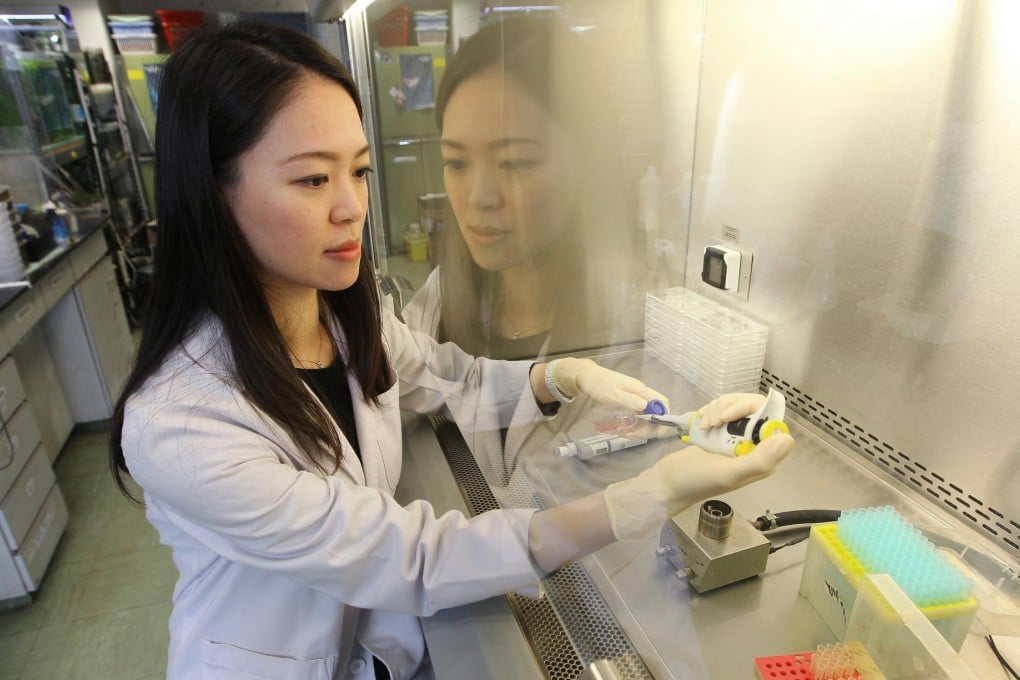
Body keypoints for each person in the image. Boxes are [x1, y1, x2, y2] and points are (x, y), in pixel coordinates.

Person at [108, 21, 795, 680]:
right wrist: (649, 494)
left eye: (361, 171)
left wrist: (562, 375)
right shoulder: (181, 423)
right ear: (212, 192)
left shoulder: (345, 319)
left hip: (377, 649)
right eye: (313, 180)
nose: (352, 207)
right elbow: (415, 559)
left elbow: (446, 376)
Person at [403, 16, 644, 360]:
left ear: (587, 161)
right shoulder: (443, 299)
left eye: (514, 163)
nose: (479, 198)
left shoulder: (627, 328)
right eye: (456, 163)